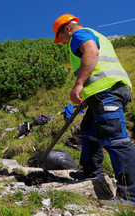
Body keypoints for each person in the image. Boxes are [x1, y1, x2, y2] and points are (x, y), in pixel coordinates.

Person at [53, 14, 135, 202]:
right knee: (89, 129)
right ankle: (91, 171)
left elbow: (91, 53)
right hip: (101, 92)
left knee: (115, 140)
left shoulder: (78, 35)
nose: (63, 43)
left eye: (61, 39)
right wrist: (88, 96)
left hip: (107, 90)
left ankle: (129, 196)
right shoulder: (95, 34)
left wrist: (79, 84)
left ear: (67, 29)